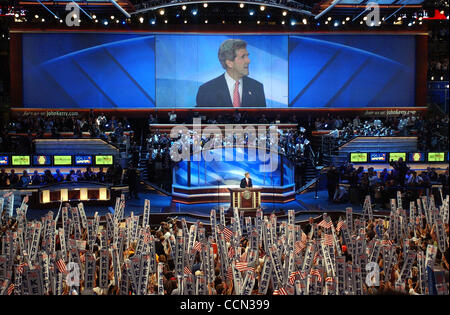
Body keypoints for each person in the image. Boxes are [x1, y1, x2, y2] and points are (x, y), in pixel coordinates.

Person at [196, 39, 266, 107]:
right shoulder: (206, 91)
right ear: (229, 63)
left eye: (247, 56)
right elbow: (198, 119)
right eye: (243, 57)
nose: (248, 61)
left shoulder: (257, 88)